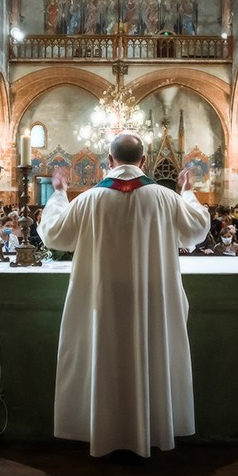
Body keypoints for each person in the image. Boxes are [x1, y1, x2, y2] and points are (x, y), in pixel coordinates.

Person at [37, 132, 210, 458]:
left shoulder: (90, 198)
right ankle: (153, 431)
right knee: (150, 354)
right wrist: (187, 193)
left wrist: (59, 194)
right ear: (143, 161)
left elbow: (54, 235)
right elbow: (197, 230)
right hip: (151, 301)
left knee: (103, 358)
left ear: (110, 162)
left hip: (102, 303)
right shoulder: (165, 197)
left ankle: (102, 433)